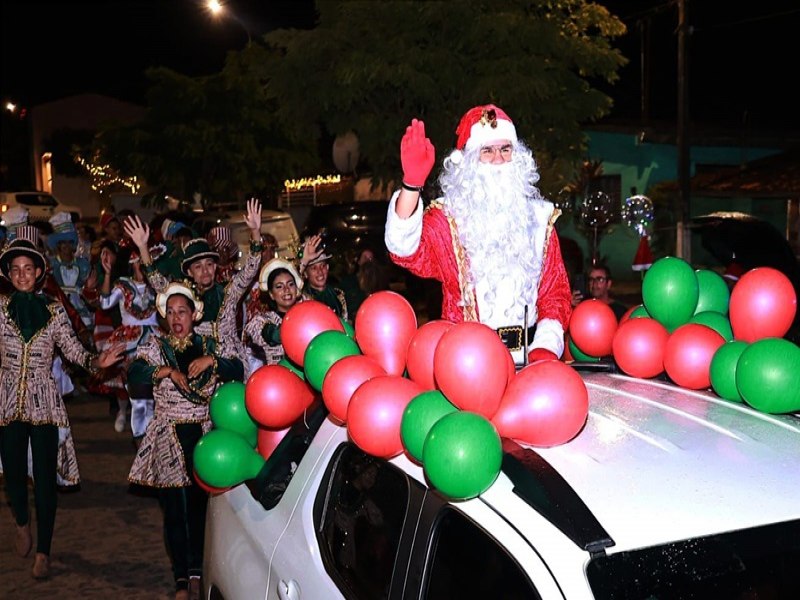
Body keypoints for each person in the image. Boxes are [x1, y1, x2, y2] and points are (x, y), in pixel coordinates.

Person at [384, 105, 572, 364]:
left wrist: (546, 347)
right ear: (468, 161)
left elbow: (555, 293)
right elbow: (404, 250)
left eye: (506, 149)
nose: (498, 159)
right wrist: (412, 185)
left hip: (531, 359)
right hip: (468, 363)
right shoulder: (449, 218)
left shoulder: (540, 219)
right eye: (487, 151)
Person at [0, 237, 124, 580]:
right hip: (8, 400)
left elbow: (73, 351)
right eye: (16, 270)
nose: (22, 275)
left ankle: (44, 551)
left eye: (29, 269)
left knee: (43, 477)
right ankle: (22, 521)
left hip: (44, 402)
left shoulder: (54, 311)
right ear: (8, 275)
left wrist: (97, 361)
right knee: (12, 472)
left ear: (39, 272)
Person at [127, 282, 244, 600]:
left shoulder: (209, 343)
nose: (177, 317)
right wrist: (165, 372)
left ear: (195, 314)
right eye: (171, 312)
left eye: (183, 311)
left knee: (200, 509)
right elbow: (134, 374)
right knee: (175, 512)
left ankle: (196, 572)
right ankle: (181, 579)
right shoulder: (155, 345)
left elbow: (238, 368)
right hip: (168, 437)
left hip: (205, 438)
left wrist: (213, 362)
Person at [124, 199, 264, 376]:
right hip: (195, 363)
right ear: (189, 272)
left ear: (215, 267)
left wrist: (255, 232)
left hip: (229, 363)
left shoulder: (229, 292)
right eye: (198, 267)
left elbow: (250, 270)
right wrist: (143, 247)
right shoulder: (184, 297)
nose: (205, 271)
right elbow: (157, 282)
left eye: (209, 264)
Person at [99, 246, 162, 438]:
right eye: (140, 263)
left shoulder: (158, 285)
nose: (144, 266)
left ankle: (149, 439)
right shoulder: (123, 286)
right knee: (138, 398)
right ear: (132, 264)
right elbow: (105, 303)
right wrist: (108, 275)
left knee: (152, 396)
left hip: (154, 342)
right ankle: (139, 437)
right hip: (130, 343)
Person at [243, 258, 305, 368]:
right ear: (271, 294)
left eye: (290, 284)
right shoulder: (260, 321)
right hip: (279, 380)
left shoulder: (307, 313)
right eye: (279, 286)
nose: (286, 290)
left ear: (296, 289)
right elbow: (272, 335)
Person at [299, 234, 349, 321]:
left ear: (327, 267)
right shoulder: (302, 298)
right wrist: (304, 261)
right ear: (306, 274)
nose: (320, 272)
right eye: (314, 268)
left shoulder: (338, 295)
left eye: (322, 266)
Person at [338, 246, 391, 316]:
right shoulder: (348, 282)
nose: (368, 261)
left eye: (371, 258)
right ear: (359, 261)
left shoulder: (380, 283)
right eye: (365, 257)